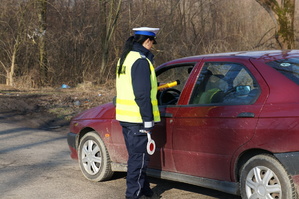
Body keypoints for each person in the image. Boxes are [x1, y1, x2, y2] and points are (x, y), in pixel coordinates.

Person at [115, 27, 161, 199]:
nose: (152, 47)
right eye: (152, 43)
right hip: (138, 119)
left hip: (126, 117)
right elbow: (141, 94)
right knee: (139, 160)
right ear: (147, 41)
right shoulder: (140, 61)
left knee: (138, 158)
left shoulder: (126, 58)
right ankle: (132, 195)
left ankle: (145, 191)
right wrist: (148, 119)